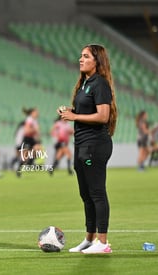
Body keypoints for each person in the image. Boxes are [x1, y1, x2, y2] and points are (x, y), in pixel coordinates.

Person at [59, 44, 117, 254]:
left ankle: (103, 242)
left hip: (95, 145)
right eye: (80, 56)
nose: (80, 59)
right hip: (82, 144)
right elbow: (86, 110)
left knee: (97, 193)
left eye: (85, 56)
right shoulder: (85, 84)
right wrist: (70, 111)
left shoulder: (99, 83)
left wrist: (74, 117)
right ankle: (89, 239)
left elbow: (103, 116)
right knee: (86, 194)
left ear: (97, 61)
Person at [15, 107, 41, 177]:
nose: (38, 113)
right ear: (32, 113)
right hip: (27, 139)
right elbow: (27, 130)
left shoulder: (35, 120)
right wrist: (35, 130)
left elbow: (36, 131)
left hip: (32, 139)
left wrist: (38, 137)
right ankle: (19, 170)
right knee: (25, 157)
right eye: (36, 112)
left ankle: (30, 163)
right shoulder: (29, 119)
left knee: (38, 149)